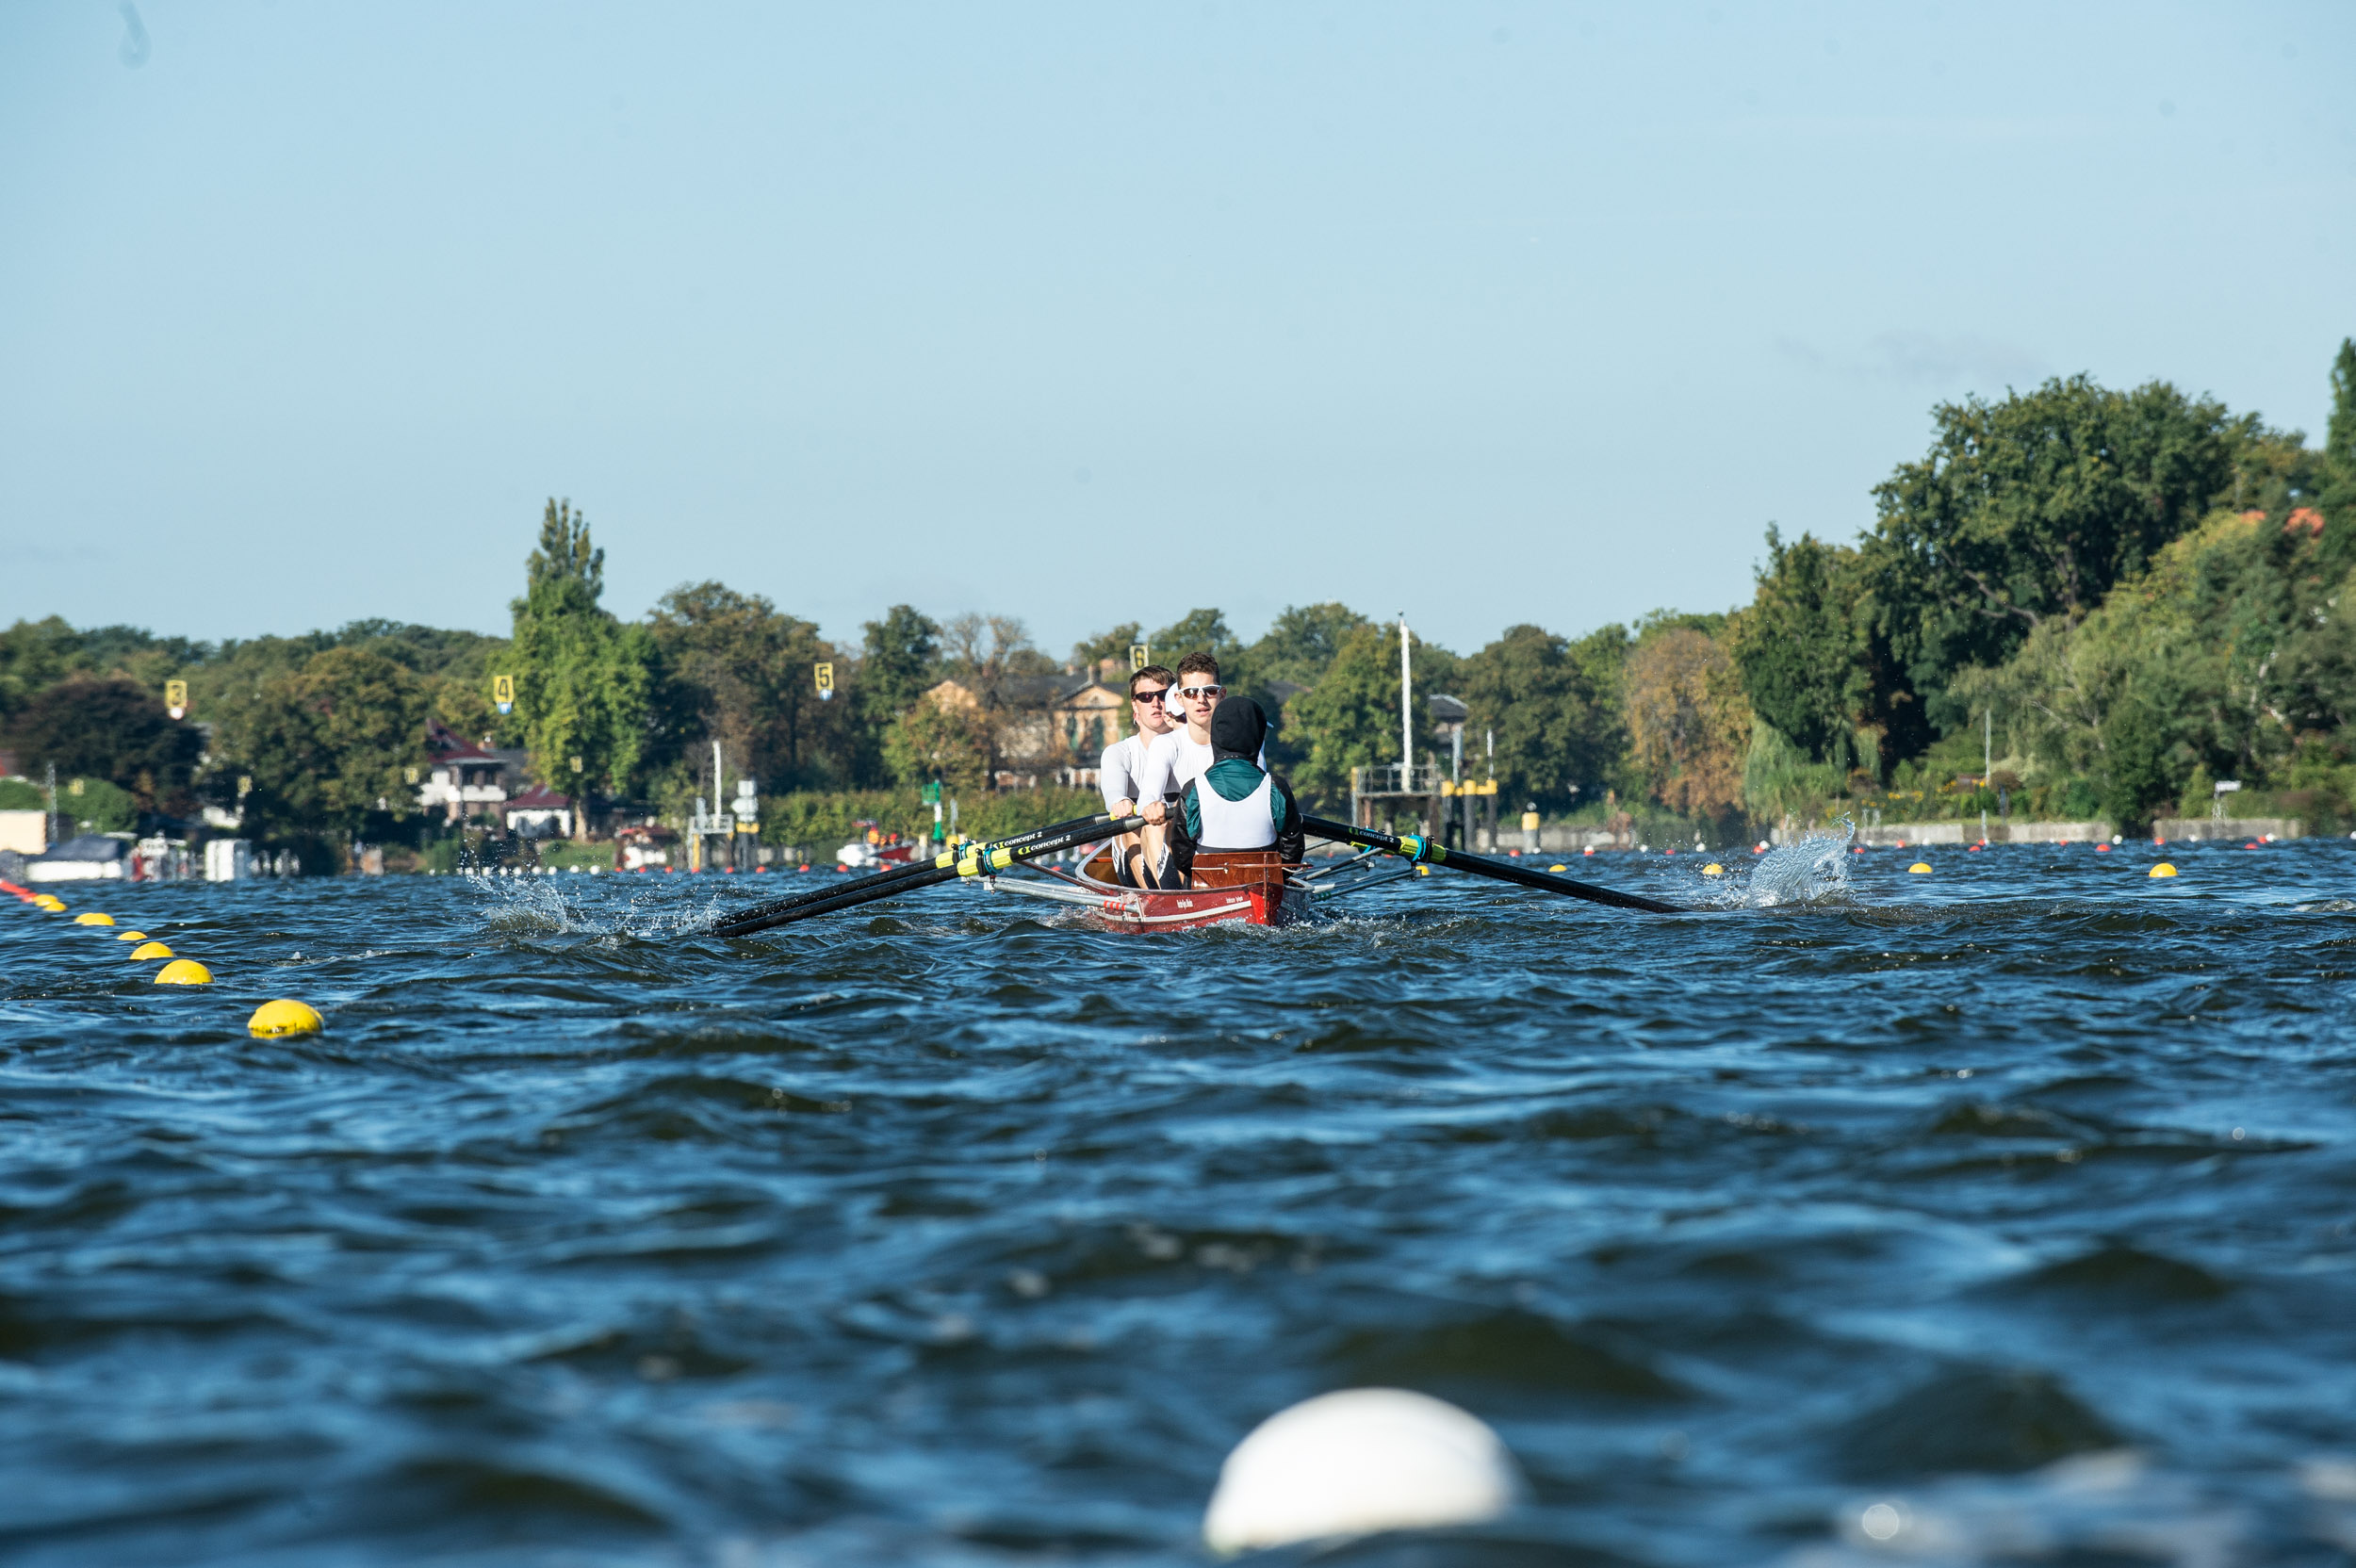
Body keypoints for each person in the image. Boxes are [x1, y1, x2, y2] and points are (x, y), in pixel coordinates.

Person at [1135, 652, 1262, 879]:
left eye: (1210, 691)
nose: (1201, 700)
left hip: (1229, 844)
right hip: (1186, 847)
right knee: (1157, 825)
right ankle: (1173, 897)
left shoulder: (1247, 744)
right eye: (1191, 693)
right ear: (1180, 699)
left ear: (1222, 695)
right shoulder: (1165, 745)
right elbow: (1147, 797)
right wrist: (1152, 806)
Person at [1162, 696, 1303, 884]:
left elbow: (1182, 854)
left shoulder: (1194, 789)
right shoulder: (1276, 787)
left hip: (1209, 885)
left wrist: (1204, 876)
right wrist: (1279, 877)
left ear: (1216, 735)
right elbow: (1293, 850)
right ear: (1258, 735)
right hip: (1265, 885)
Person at [1099, 663, 1177, 888]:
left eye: (1162, 695)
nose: (1155, 702)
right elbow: (1113, 790)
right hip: (1135, 847)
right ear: (1135, 705)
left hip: (1179, 845)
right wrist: (1120, 801)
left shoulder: (1189, 748)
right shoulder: (1119, 752)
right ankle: (1156, 897)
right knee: (1136, 824)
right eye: (1145, 696)